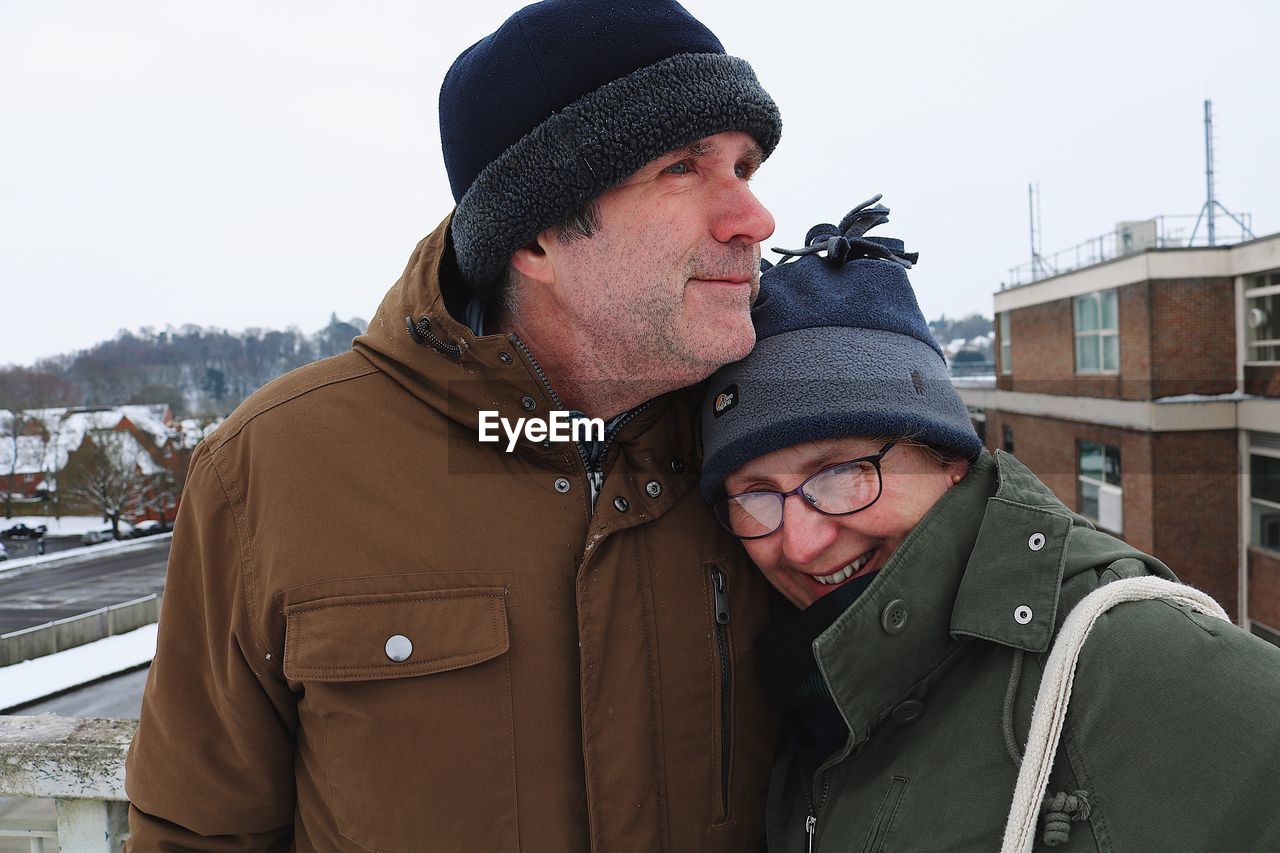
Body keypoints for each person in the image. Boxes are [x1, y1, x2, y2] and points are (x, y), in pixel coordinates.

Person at [124, 2, 785, 849]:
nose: (754, 219)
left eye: (747, 166)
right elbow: (198, 832)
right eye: (683, 168)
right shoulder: (273, 471)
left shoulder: (794, 439)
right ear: (538, 236)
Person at [698, 198, 1280, 852]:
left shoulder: (1128, 659)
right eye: (755, 496)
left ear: (947, 459)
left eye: (841, 473)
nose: (801, 542)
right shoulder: (794, 689)